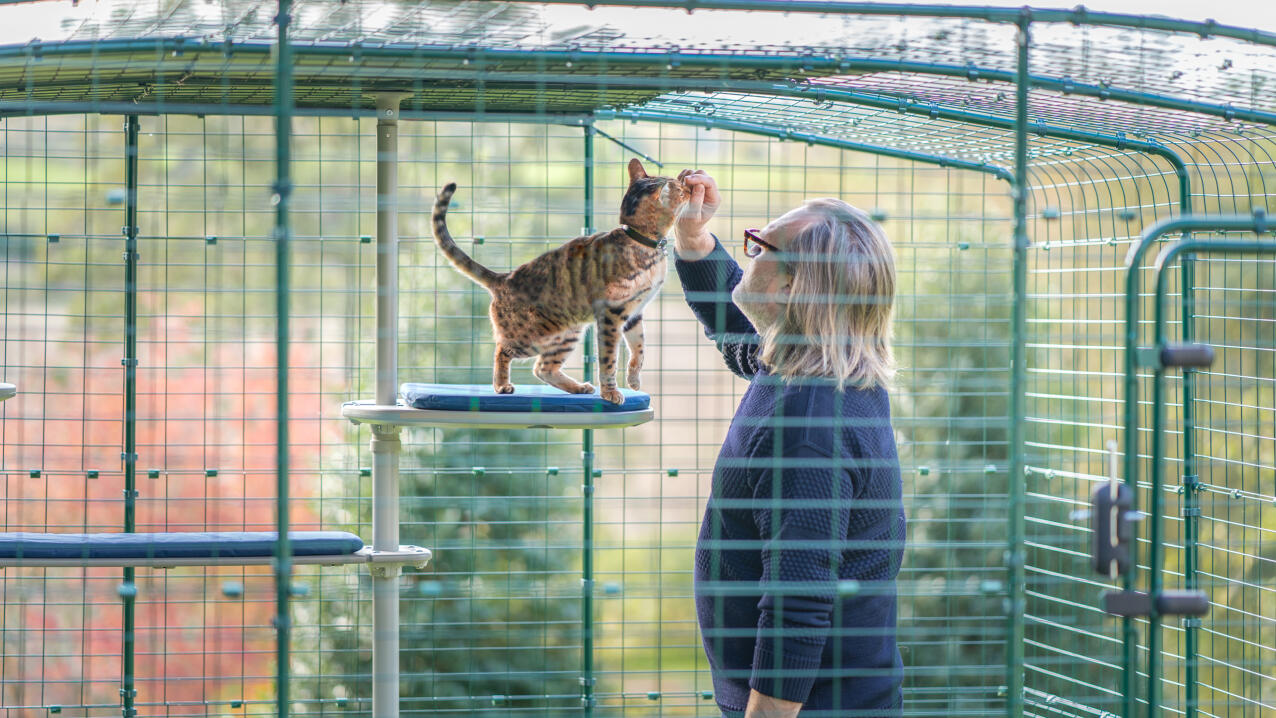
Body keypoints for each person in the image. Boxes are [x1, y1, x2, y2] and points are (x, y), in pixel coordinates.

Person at [672, 169, 905, 718]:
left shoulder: (810, 422)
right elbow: (741, 338)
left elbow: (798, 602)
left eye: (760, 246)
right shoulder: (811, 373)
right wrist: (694, 242)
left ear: (791, 286)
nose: (749, 252)